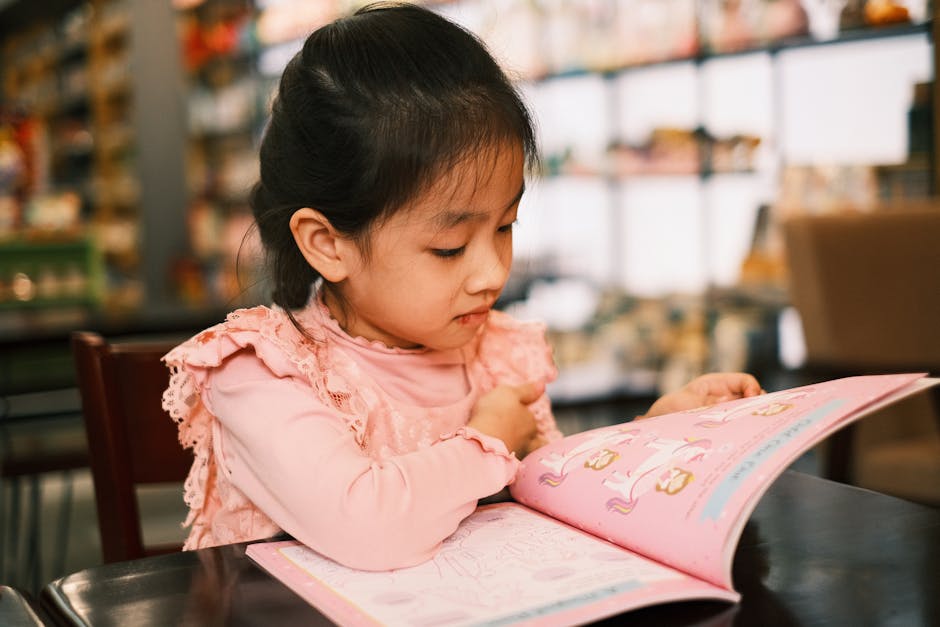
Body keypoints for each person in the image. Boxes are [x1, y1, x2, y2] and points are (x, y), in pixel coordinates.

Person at [162, 2, 762, 572]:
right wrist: (490, 438)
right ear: (327, 243)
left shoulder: (494, 352)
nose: (492, 273)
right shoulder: (262, 371)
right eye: (448, 248)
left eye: (505, 227)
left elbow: (550, 489)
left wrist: (658, 434)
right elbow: (365, 523)